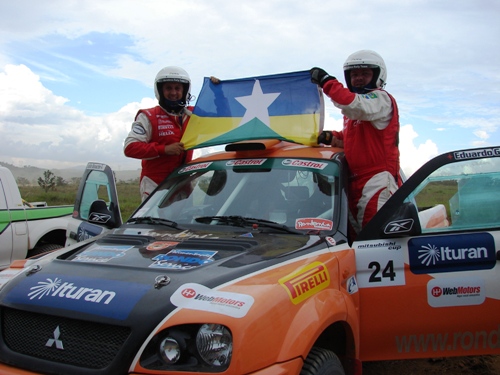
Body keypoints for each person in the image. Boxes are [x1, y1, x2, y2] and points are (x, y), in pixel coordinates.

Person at [310, 50, 400, 239]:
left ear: (377, 75)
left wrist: (327, 82)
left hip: (377, 179)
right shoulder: (358, 111)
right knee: (352, 238)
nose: (358, 78)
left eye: (364, 74)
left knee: (373, 238)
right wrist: (331, 137)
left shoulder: (380, 99)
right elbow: (350, 138)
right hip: (351, 180)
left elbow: (354, 105)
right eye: (354, 74)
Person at [124, 67, 218, 201]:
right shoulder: (148, 116)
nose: (173, 92)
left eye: (177, 88)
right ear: (160, 90)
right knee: (154, 222)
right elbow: (130, 148)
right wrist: (164, 149)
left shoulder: (194, 115)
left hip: (183, 183)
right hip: (155, 185)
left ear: (184, 90)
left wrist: (218, 92)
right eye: (168, 88)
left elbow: (222, 120)